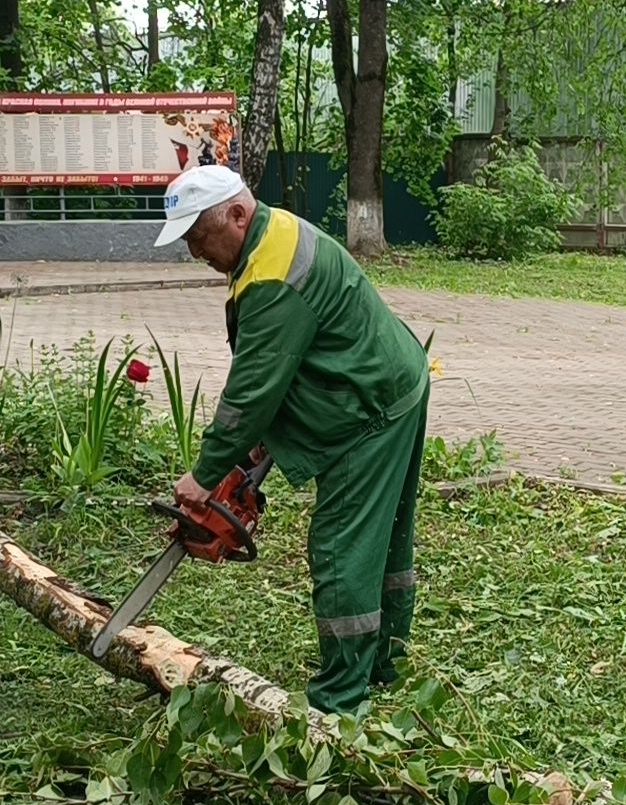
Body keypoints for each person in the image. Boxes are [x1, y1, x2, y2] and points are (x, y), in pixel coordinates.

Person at [155, 164, 431, 716]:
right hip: (388, 380)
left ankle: (340, 700)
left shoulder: (272, 274)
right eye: (186, 240)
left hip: (366, 409)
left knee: (342, 546)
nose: (194, 252)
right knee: (386, 538)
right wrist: (261, 450)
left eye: (198, 237)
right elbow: (291, 362)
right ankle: (383, 662)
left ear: (236, 214)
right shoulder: (269, 238)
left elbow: (252, 393)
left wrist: (205, 477)